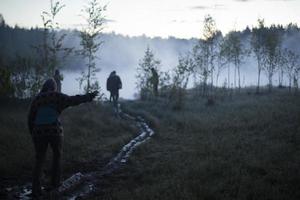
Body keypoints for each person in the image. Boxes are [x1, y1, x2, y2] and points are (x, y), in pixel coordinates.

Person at [27, 78, 98, 197]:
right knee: (57, 156)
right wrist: (89, 96)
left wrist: (33, 133)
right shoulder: (57, 96)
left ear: (44, 87)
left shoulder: (37, 98)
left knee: (39, 159)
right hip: (54, 131)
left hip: (38, 132)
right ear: (54, 87)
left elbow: (30, 118)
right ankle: (55, 184)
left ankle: (35, 189)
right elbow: (74, 100)